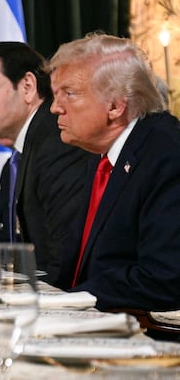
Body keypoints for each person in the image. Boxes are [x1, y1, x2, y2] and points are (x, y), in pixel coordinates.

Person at [49, 33, 180, 312]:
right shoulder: (100, 155)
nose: (54, 107)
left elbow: (163, 279)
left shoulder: (167, 154)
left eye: (68, 94)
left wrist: (68, 301)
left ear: (115, 106)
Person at [0, 42, 90, 287]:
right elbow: (1, 252)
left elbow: (62, 264)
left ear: (27, 87)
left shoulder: (58, 143)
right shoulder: (13, 163)